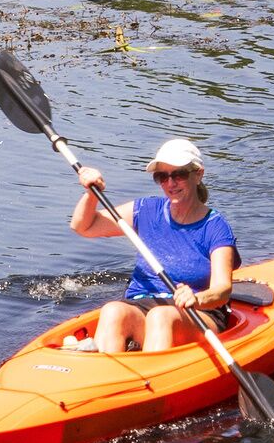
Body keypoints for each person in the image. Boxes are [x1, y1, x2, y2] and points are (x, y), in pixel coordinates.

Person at [70, 137, 239, 353]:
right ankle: (106, 378)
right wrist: (91, 193)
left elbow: (222, 290)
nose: (170, 183)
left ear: (198, 175)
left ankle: (153, 383)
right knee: (113, 310)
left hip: (198, 313)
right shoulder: (147, 210)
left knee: (161, 317)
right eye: (162, 176)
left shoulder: (215, 226)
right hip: (143, 305)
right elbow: (83, 226)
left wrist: (196, 298)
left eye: (178, 174)